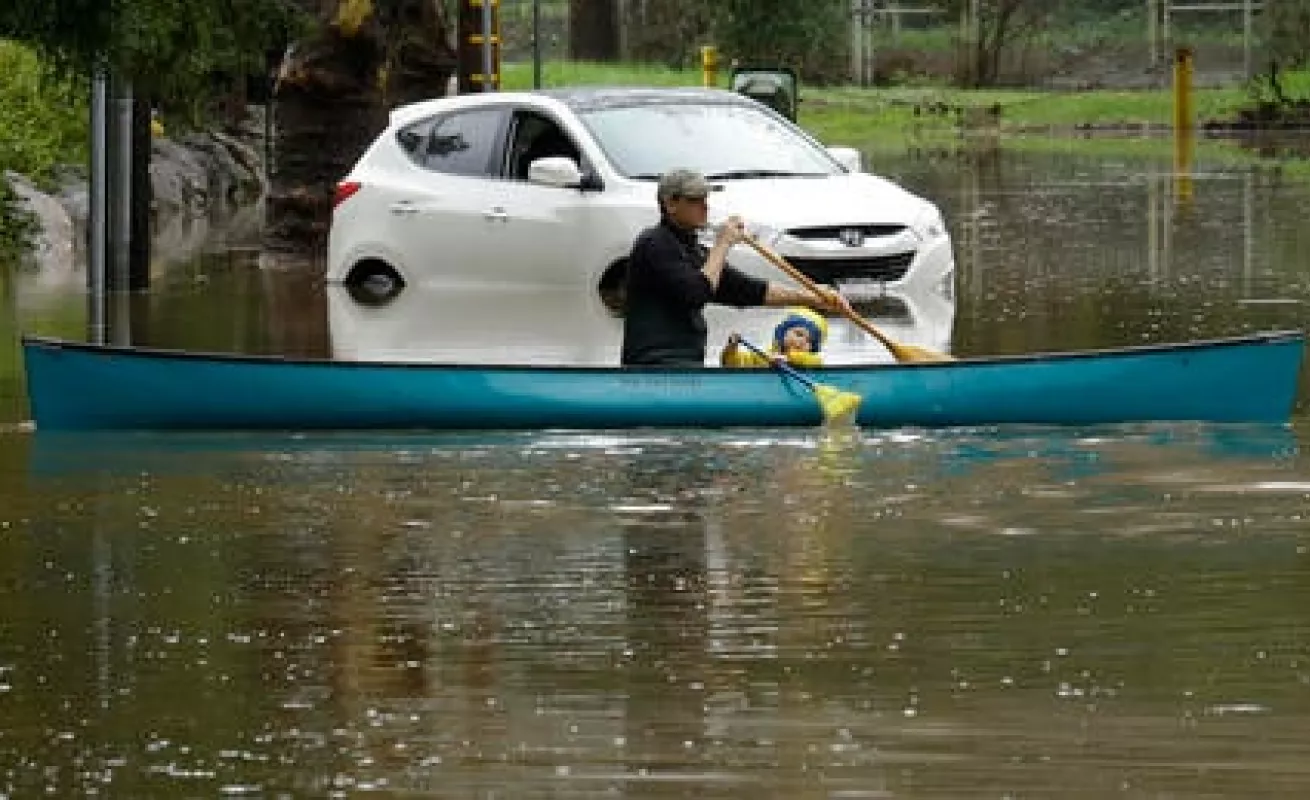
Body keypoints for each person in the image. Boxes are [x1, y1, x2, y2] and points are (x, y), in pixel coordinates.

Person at [620, 168, 852, 367]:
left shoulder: (696, 252)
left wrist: (814, 297)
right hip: (653, 367)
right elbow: (696, 293)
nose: (704, 206)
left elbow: (748, 290)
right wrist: (722, 243)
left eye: (705, 198)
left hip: (687, 365)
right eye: (694, 200)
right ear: (670, 203)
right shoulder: (654, 242)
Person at [720, 307, 827, 368]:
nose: (802, 341)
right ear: (782, 332)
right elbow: (732, 364)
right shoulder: (764, 356)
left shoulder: (811, 361)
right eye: (798, 334)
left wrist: (789, 359)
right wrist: (731, 348)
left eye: (809, 341)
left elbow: (815, 362)